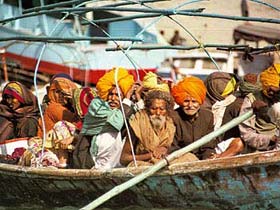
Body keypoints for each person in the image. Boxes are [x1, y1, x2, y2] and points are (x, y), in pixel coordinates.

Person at [72, 67, 136, 169]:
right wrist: (127, 99)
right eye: (111, 94)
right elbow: (117, 122)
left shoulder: (127, 109)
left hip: (115, 164)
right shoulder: (98, 106)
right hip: (90, 160)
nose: (113, 98)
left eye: (117, 95)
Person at [120, 90, 175, 167]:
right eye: (153, 108)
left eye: (162, 109)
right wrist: (150, 155)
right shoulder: (137, 124)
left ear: (167, 110)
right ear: (147, 109)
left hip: (164, 161)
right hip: (143, 165)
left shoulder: (170, 125)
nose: (158, 113)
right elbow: (124, 159)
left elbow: (175, 148)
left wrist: (165, 149)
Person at [171, 76, 216, 160]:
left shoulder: (208, 116)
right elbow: (173, 147)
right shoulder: (173, 117)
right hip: (180, 159)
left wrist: (208, 156)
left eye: (194, 102)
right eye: (186, 101)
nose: (190, 106)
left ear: (200, 102)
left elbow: (208, 145)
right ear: (180, 102)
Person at [239, 64, 280, 152]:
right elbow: (246, 133)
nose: (272, 94)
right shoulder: (251, 99)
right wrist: (270, 139)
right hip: (262, 151)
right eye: (269, 90)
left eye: (276, 92)